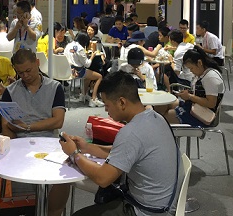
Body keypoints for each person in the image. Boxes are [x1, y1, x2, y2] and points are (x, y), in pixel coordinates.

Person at [59, 71, 180, 216]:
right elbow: (121, 152)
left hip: (146, 211)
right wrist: (87, 147)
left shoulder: (132, 132)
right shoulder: (155, 117)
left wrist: (74, 154)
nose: (105, 110)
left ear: (122, 102)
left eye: (107, 105)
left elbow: (103, 178)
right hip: (164, 204)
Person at [0, 49, 68, 216]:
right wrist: (12, 146)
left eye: (28, 70)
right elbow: (6, 124)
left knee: (64, 177)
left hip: (50, 142)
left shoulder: (55, 87)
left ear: (37, 63)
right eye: (20, 73)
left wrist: (28, 127)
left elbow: (58, 121)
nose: (25, 76)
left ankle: (53, 212)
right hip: (20, 144)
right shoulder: (10, 91)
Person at [163, 47, 225, 128]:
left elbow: (211, 103)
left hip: (202, 115)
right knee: (165, 104)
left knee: (163, 118)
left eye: (191, 68)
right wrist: (188, 95)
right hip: (194, 107)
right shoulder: (203, 74)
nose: (191, 71)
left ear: (199, 63)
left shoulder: (210, 77)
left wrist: (189, 96)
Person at [64, 33, 104, 107]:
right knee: (99, 77)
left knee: (89, 76)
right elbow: (87, 64)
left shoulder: (68, 45)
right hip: (78, 71)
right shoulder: (80, 49)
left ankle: (83, 95)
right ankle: (94, 99)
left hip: (68, 69)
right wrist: (92, 56)